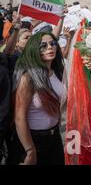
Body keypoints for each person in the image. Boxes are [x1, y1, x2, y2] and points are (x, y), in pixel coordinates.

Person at [7, 32, 66, 165]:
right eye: (43, 46)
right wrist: (30, 150)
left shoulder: (58, 72)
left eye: (53, 43)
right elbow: (19, 117)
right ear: (34, 49)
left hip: (54, 137)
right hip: (33, 140)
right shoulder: (28, 78)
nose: (50, 47)